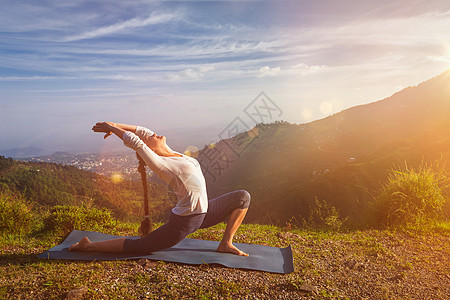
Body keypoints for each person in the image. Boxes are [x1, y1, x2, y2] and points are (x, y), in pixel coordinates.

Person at [69, 122, 250, 256]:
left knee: (243, 197)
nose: (153, 134)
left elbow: (141, 132)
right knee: (139, 247)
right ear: (150, 150)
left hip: (204, 213)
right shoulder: (162, 165)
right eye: (150, 138)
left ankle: (226, 243)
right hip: (185, 221)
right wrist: (113, 128)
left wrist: (115, 124)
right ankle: (88, 246)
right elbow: (136, 142)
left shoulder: (174, 153)